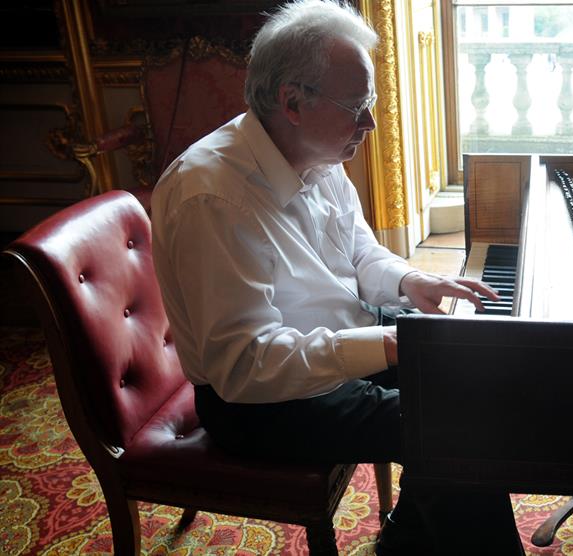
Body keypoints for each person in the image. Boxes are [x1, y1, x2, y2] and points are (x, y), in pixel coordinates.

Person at [151, 1, 524, 554]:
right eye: (356, 106)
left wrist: (408, 283)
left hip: (334, 341)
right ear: (293, 102)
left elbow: (358, 253)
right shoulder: (214, 196)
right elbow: (244, 367)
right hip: (260, 404)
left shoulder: (317, 151)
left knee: (470, 363)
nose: (369, 123)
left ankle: (414, 534)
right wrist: (385, 344)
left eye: (368, 102)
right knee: (453, 427)